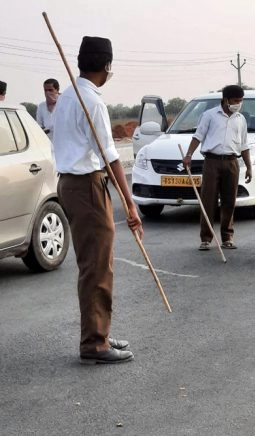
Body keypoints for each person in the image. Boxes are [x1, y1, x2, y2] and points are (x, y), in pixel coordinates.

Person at [53, 36, 141, 364]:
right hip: (86, 186)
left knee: (94, 263)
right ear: (106, 65)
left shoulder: (67, 96)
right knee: (97, 266)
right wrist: (130, 205)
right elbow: (110, 156)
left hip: (72, 184)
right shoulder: (91, 101)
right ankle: (94, 343)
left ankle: (99, 331)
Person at [183, 85, 252, 251]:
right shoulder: (209, 115)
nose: (238, 104)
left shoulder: (240, 119)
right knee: (208, 200)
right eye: (235, 101)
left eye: (241, 101)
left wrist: (249, 167)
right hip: (212, 162)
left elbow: (244, 145)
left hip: (232, 162)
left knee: (229, 201)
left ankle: (227, 238)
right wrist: (188, 155)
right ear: (226, 100)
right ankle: (206, 239)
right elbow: (198, 136)